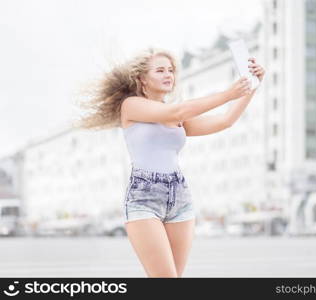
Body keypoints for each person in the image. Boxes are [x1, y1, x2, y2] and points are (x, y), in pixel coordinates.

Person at [74, 47, 265, 277]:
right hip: (144, 198)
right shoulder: (132, 105)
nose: (168, 75)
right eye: (160, 70)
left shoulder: (175, 115)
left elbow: (225, 120)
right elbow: (177, 111)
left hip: (180, 197)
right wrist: (228, 93)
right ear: (142, 78)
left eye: (171, 70)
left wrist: (252, 86)